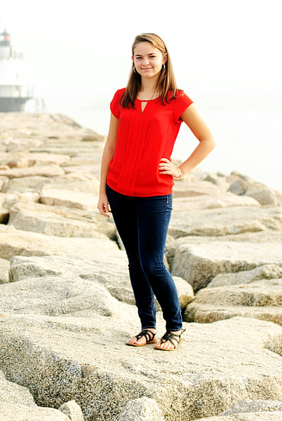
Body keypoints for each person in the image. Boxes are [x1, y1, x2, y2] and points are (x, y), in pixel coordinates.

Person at [98, 32, 215, 351]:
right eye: (139, 57)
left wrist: (181, 169)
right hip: (118, 189)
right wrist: (102, 191)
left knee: (152, 263)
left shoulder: (176, 99)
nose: (145, 62)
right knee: (135, 262)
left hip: (154, 193)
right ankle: (147, 327)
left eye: (151, 56)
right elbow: (110, 146)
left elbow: (207, 140)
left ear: (164, 58)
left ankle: (175, 327)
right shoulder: (122, 97)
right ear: (132, 61)